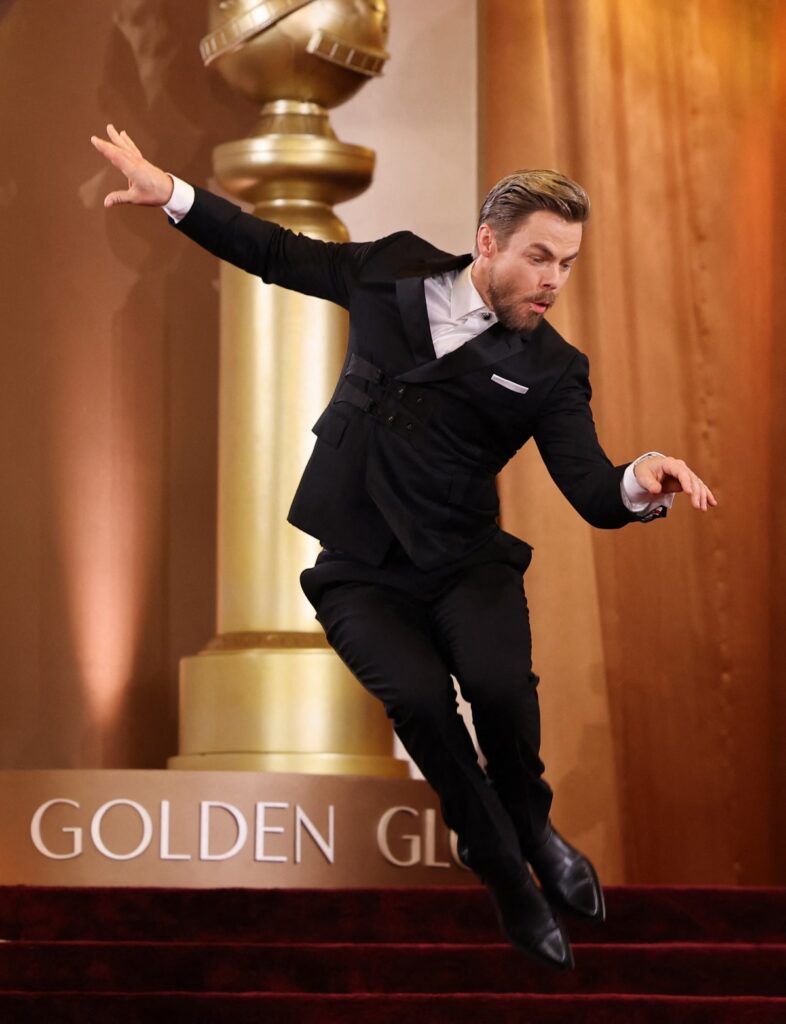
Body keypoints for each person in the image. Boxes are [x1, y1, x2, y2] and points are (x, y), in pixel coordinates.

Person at [91, 125, 717, 970]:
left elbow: (592, 490)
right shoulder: (392, 271)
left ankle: (532, 824)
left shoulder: (551, 369)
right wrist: (170, 191)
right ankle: (507, 874)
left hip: (465, 563)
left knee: (499, 688)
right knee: (421, 703)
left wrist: (643, 476)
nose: (553, 281)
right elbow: (275, 252)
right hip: (360, 569)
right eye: (539, 257)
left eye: (567, 264)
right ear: (488, 242)